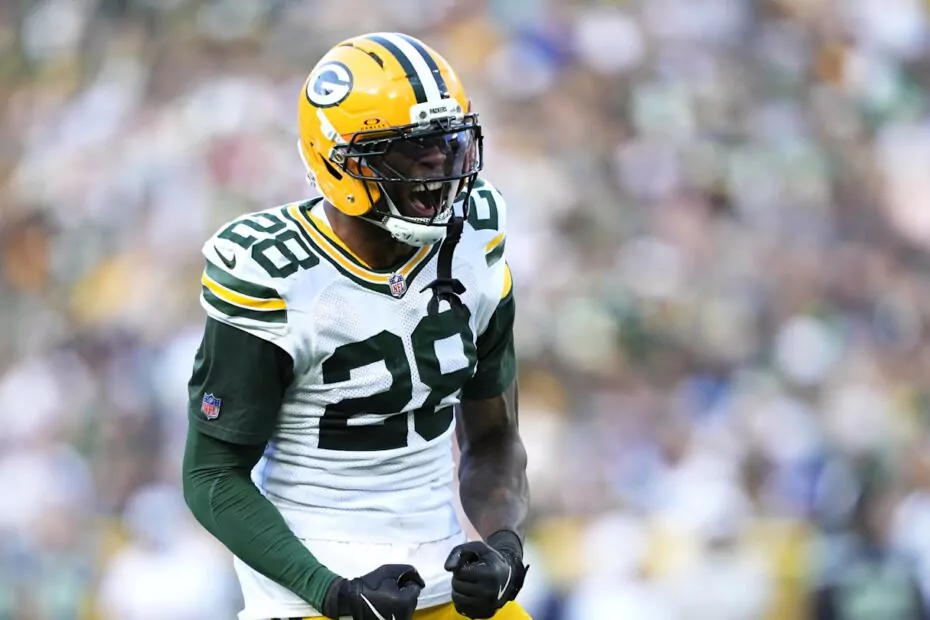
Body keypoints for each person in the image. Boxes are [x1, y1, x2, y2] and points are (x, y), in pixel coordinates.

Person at [181, 32, 531, 620]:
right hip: (309, 590)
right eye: (410, 150)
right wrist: (333, 592)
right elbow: (212, 475)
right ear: (340, 161)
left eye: (447, 143)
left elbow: (495, 438)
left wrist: (505, 547)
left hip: (440, 576)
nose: (438, 166)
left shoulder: (475, 235)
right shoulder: (274, 274)